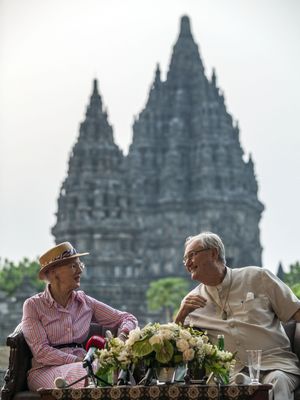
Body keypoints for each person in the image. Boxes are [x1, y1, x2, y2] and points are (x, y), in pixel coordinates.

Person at [175, 232, 300, 400]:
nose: (187, 263)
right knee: (237, 385)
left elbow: (296, 312)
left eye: (192, 255)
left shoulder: (258, 277)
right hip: (231, 376)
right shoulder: (190, 303)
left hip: (276, 365)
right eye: (185, 259)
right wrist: (181, 314)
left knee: (276, 381)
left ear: (213, 253)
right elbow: (176, 348)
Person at [22, 242, 138, 391]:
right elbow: (41, 352)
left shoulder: (85, 302)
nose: (79, 271)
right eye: (72, 266)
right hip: (46, 370)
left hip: (86, 364)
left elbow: (128, 318)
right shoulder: (33, 305)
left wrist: (122, 337)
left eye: (79, 265)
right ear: (53, 273)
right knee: (95, 371)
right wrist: (80, 360)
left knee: (116, 370)